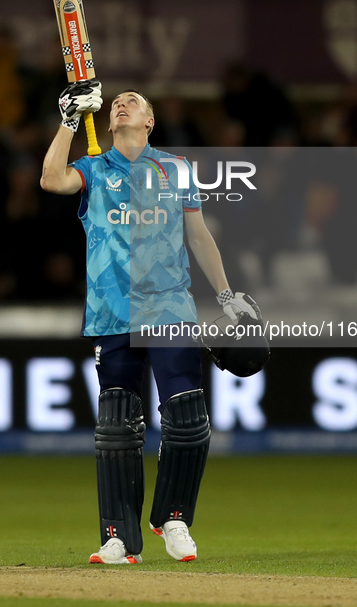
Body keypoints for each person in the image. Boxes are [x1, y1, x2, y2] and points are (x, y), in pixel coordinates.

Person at [40, 80, 264, 565]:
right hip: (111, 310)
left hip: (169, 307)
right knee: (117, 428)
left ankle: (175, 519)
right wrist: (68, 120)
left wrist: (226, 296)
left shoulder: (177, 169)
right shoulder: (94, 169)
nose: (121, 104)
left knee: (187, 419)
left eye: (132, 102)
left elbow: (199, 236)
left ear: (149, 121)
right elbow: (51, 180)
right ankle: (119, 536)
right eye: (116, 102)